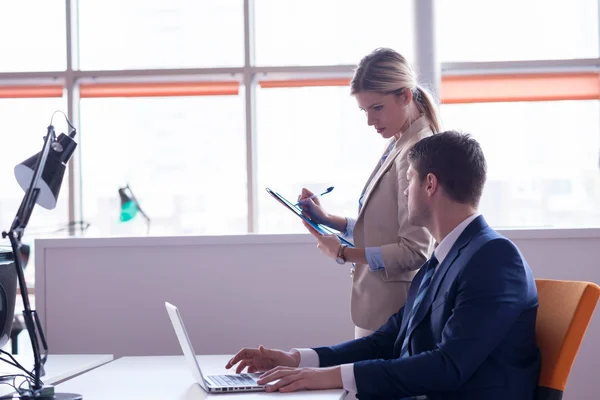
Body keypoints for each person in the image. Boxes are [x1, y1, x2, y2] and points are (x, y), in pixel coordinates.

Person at [227, 131, 541, 400]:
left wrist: (330, 376)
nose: (405, 192)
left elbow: (449, 366)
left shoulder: (494, 258)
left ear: (429, 184)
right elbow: (389, 339)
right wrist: (299, 359)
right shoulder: (445, 257)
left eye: (408, 181)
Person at [298, 47, 440, 338]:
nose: (370, 121)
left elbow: (415, 251)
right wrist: (329, 220)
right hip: (379, 307)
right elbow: (382, 230)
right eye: (364, 110)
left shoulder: (416, 151)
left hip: (393, 311)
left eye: (377, 108)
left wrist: (344, 253)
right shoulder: (399, 142)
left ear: (405, 95)